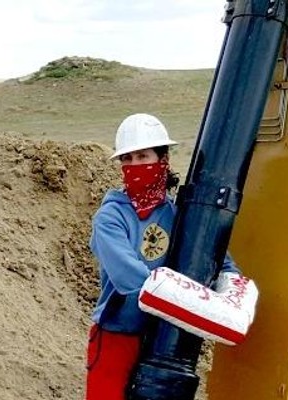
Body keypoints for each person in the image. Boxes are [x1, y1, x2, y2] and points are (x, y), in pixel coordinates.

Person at [85, 113, 240, 399]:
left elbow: (219, 260)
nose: (134, 166)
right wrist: (193, 304)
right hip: (117, 336)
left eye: (142, 156)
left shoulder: (178, 215)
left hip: (166, 338)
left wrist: (234, 288)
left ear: (162, 159)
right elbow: (128, 277)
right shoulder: (110, 217)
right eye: (127, 159)